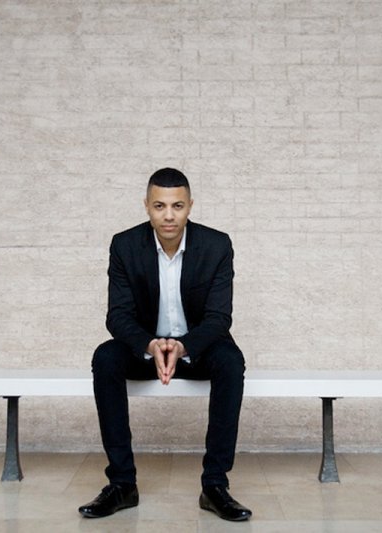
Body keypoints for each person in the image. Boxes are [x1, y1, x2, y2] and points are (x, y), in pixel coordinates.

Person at [78, 168, 252, 522]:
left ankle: (215, 486)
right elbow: (117, 315)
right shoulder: (125, 245)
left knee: (231, 361)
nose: (168, 215)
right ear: (147, 206)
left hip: (197, 349)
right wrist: (150, 345)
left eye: (177, 206)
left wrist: (184, 347)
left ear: (190, 206)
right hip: (145, 349)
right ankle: (122, 483)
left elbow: (219, 318)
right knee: (105, 357)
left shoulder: (217, 245)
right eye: (159, 206)